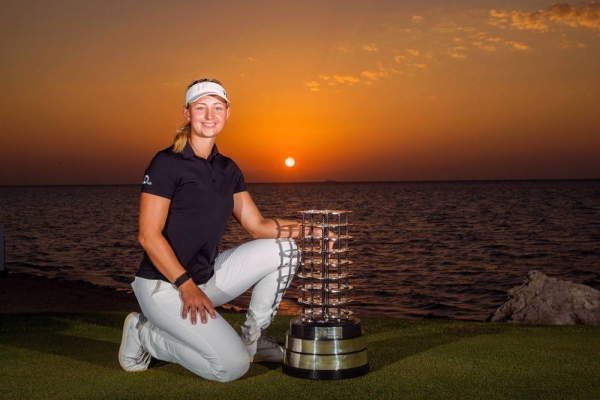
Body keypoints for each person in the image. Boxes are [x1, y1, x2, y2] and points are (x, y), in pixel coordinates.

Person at [118, 78, 304, 382]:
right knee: (231, 367)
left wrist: (313, 229)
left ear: (227, 114)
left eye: (217, 107)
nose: (209, 115)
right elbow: (147, 235)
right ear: (187, 113)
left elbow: (258, 227)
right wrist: (186, 286)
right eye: (200, 107)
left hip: (207, 279)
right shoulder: (166, 163)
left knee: (285, 249)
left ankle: (254, 340)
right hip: (166, 287)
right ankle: (146, 335)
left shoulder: (228, 169)